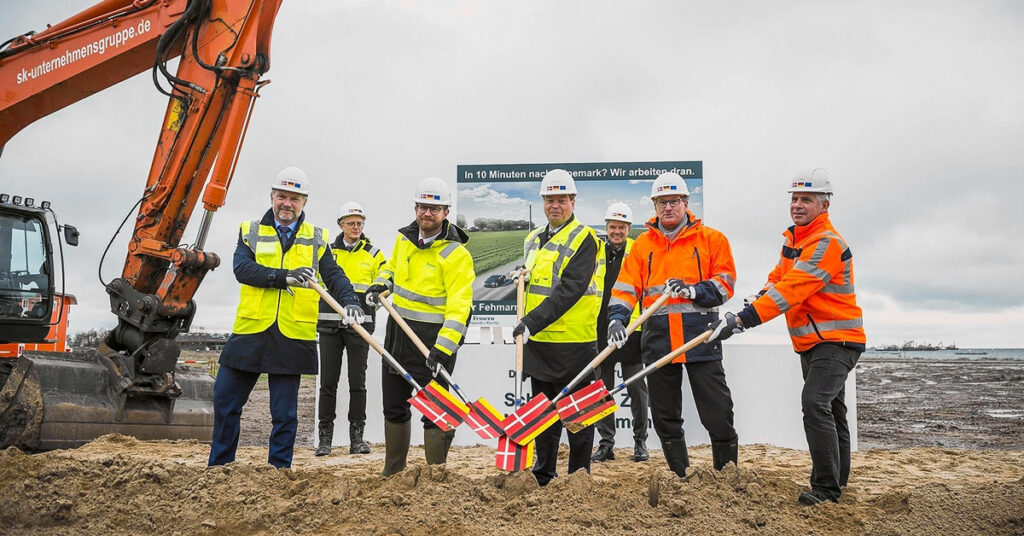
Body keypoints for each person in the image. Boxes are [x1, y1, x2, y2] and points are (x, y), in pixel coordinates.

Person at [707, 167, 865, 506]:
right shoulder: (793, 241)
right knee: (832, 410)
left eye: (806, 199)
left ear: (824, 205)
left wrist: (745, 320)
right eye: (794, 198)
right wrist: (743, 310)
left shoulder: (827, 244)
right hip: (813, 342)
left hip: (837, 341)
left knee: (815, 404)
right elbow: (776, 282)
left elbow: (793, 290)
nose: (797, 205)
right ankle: (838, 483)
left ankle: (825, 489)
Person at [208, 166, 362, 469]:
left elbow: (334, 275)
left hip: (292, 335)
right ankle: (220, 468)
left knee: (285, 414)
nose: (286, 203)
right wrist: (284, 277)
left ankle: (279, 472)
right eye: (281, 196)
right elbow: (242, 270)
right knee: (225, 402)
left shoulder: (317, 238)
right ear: (272, 197)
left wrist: (350, 301)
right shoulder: (250, 230)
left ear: (304, 201)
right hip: (251, 330)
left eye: (294, 198)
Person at [608, 171, 738, 478]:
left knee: (718, 411)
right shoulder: (642, 245)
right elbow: (626, 287)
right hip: (658, 338)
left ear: (686, 202)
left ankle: (727, 476)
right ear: (654, 205)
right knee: (665, 415)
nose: (669, 207)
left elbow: (726, 283)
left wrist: (695, 290)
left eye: (675, 201)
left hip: (700, 335)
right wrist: (617, 318)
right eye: (662, 202)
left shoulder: (712, 239)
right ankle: (682, 477)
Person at [365, 177, 474, 476]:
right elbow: (392, 270)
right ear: (416, 208)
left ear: (445, 212)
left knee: (436, 414)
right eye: (423, 207)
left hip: (433, 345)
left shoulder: (456, 254)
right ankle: (393, 472)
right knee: (394, 407)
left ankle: (435, 476)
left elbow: (460, 306)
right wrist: (381, 284)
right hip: (398, 337)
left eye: (434, 209)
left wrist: (444, 348)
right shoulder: (403, 240)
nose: (427, 214)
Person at [512, 169, 603, 486]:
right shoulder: (534, 238)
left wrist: (529, 322)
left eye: (561, 199)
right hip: (540, 343)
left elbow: (570, 289)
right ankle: (543, 474)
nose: (555, 205)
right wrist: (522, 274)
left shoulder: (585, 238)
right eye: (549, 199)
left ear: (573, 202)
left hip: (575, 343)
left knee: (579, 416)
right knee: (544, 416)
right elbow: (538, 280)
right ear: (542, 202)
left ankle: (579, 478)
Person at [314, 201, 387, 456]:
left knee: (358, 383)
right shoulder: (327, 252)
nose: (356, 227)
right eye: (351, 223)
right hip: (328, 325)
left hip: (361, 327)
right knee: (328, 384)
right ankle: (325, 440)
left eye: (359, 223)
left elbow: (387, 277)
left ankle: (357, 439)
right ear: (340, 225)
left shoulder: (374, 253)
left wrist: (377, 291)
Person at [591, 202, 650, 463]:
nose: (617, 231)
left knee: (636, 388)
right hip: (599, 330)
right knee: (601, 390)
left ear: (629, 228)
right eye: (613, 226)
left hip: (632, 329)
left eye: (622, 227)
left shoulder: (637, 250)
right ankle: (606, 444)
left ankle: (640, 442)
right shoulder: (595, 251)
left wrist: (635, 325)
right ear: (607, 227)